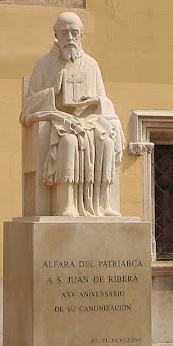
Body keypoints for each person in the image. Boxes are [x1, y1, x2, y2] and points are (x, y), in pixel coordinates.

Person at [20, 12, 124, 216]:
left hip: (90, 120)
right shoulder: (43, 64)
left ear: (81, 34)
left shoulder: (92, 65)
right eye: (65, 32)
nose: (69, 38)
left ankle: (103, 204)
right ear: (56, 34)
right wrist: (53, 92)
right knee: (69, 142)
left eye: (74, 32)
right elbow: (28, 108)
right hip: (59, 120)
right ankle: (66, 203)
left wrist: (96, 101)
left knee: (107, 142)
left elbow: (105, 100)